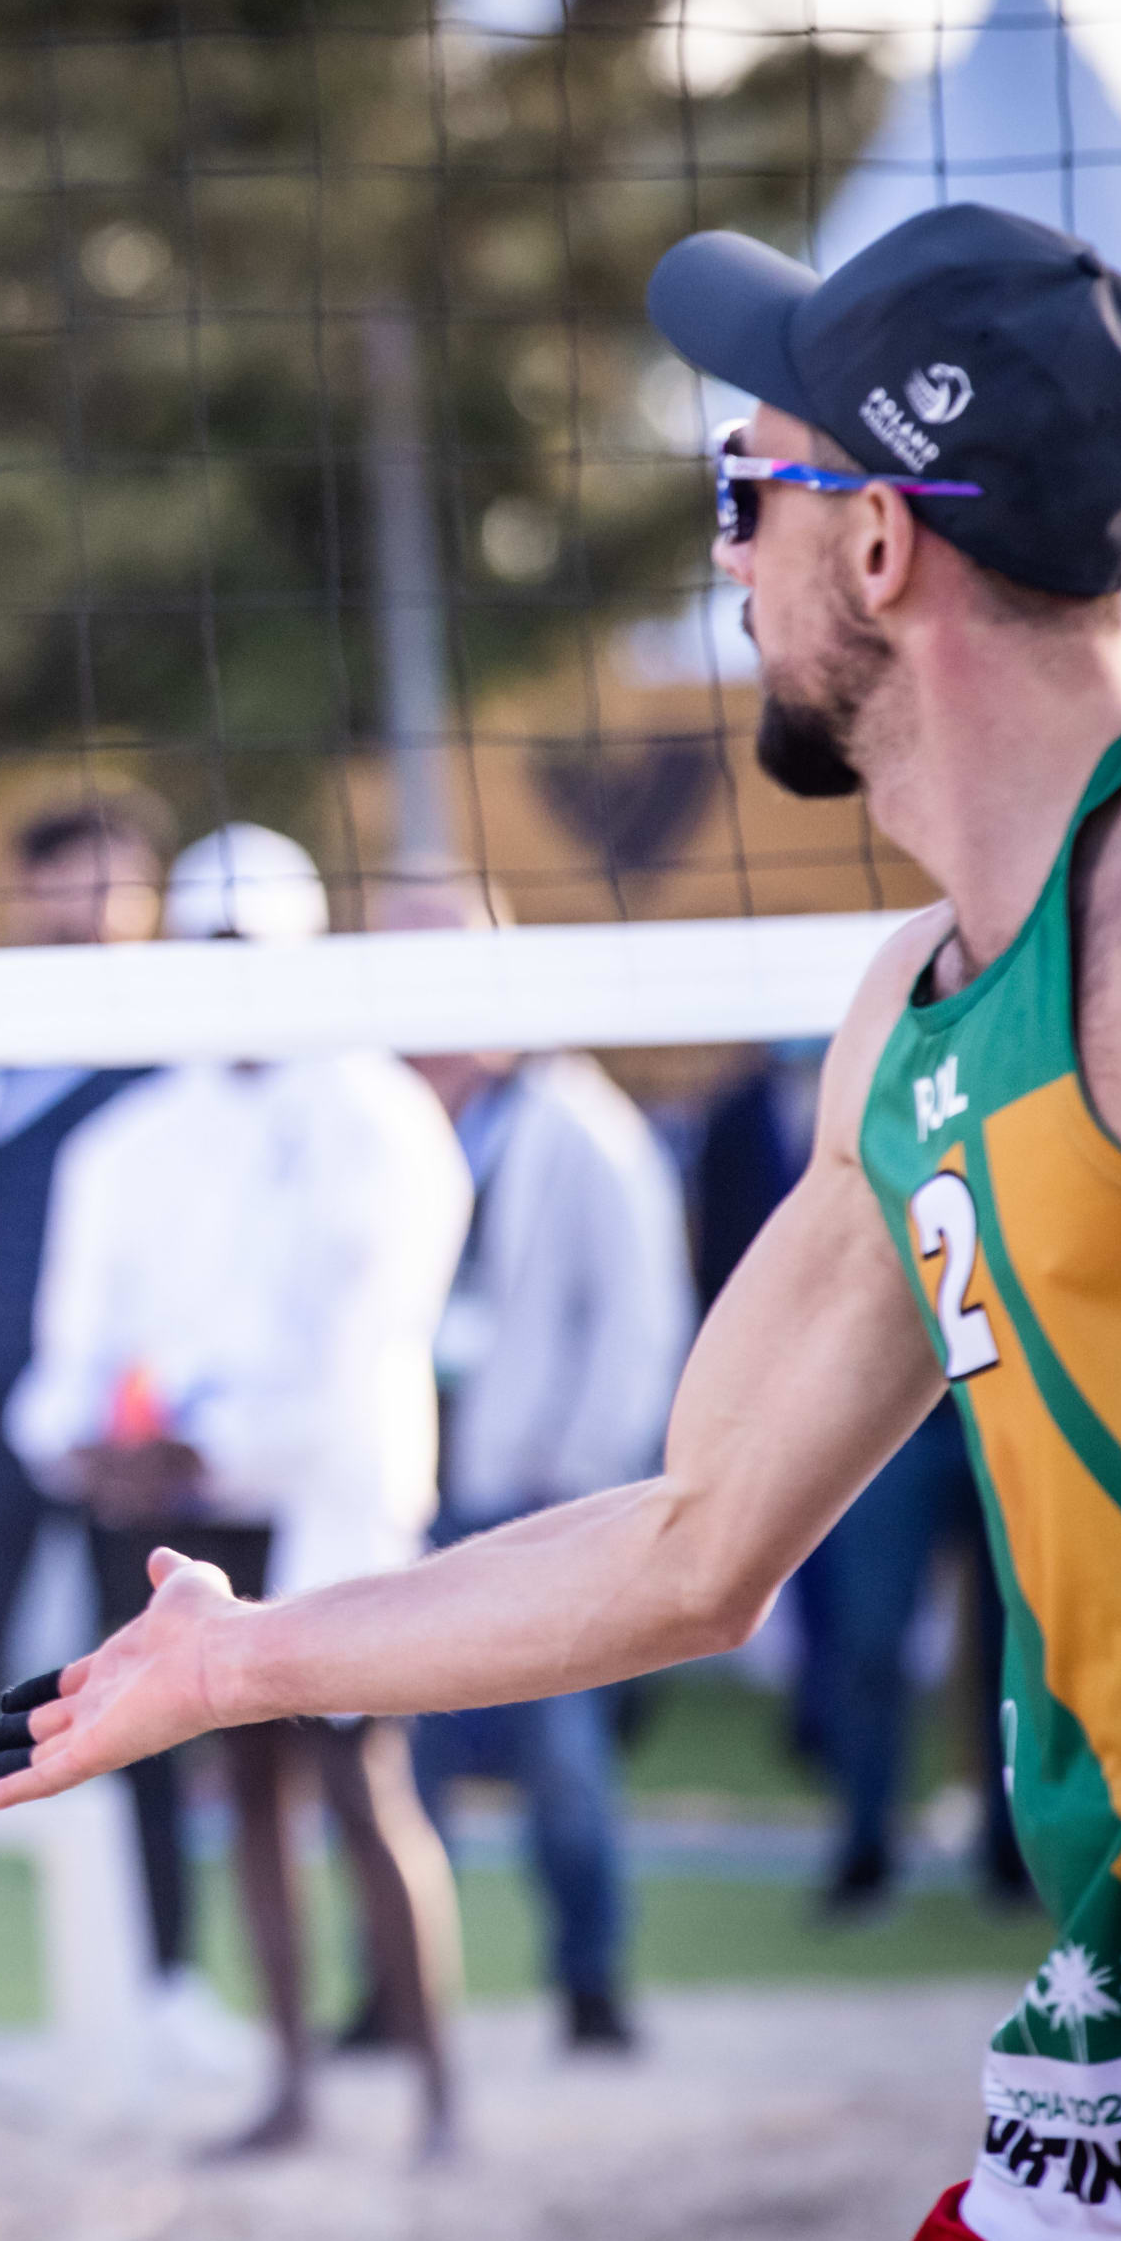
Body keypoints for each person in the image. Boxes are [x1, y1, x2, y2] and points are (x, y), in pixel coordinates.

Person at [0, 203, 1121, 2241]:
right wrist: (247, 1658)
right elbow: (694, 1540)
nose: (724, 564)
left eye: (747, 494)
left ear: (887, 550)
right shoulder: (917, 1010)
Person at [3, 822, 473, 2158]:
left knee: (364, 1781)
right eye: (210, 951)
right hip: (186, 1517)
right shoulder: (130, 1139)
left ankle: (438, 2086)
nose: (231, 976)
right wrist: (91, 1444)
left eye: (252, 950)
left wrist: (201, 1444)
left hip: (329, 1501)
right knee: (250, 1791)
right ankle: (292, 2085)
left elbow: (364, 1352)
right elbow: (61, 1368)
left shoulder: (382, 1120)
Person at [375, 876, 693, 2055]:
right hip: (404, 1487)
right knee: (394, 1757)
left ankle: (591, 1984)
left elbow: (639, 1314)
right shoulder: (368, 1113)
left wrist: (589, 1473)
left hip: (541, 1493)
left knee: (563, 1756)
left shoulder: (577, 1122)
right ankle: (398, 1996)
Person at [0, 795, 186, 1991]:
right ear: (29, 893)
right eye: (72, 882)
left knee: (163, 1689)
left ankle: (167, 1975)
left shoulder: (182, 1051)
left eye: (119, 885)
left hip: (129, 1428)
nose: (97, 909)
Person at [699, 1044, 1035, 1921]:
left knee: (1019, 1642)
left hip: (1002, 1395)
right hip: (880, 1410)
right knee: (868, 1638)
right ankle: (865, 1842)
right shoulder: (776, 1112)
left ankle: (1016, 1848)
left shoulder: (996, 1058)